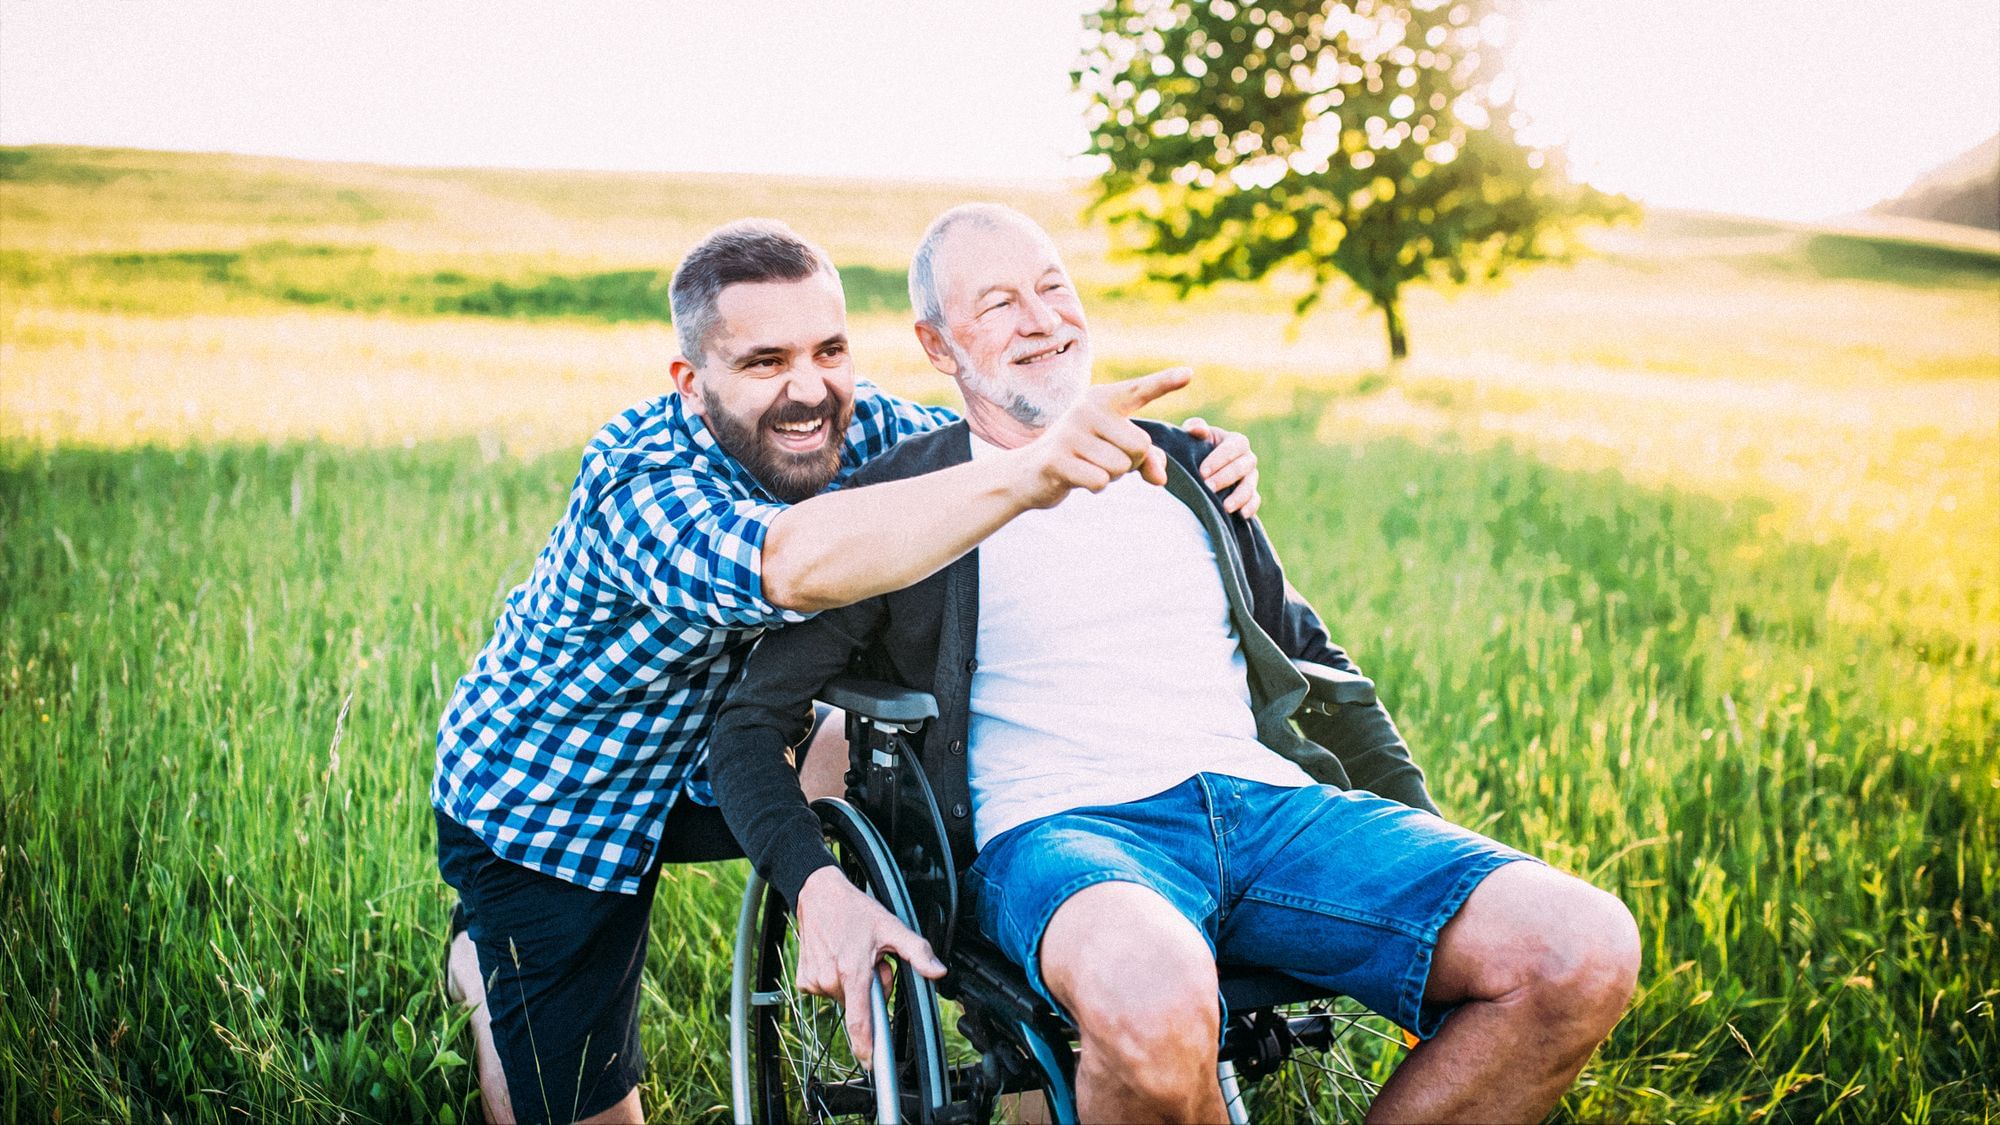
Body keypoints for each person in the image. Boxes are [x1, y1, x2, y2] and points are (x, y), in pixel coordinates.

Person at [711, 204, 1642, 1123]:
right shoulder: (908, 500)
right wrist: (819, 887)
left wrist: (1419, 831)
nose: (1041, 318)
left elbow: (1313, 662)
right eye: (998, 304)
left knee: (1582, 948)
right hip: (1065, 833)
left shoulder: (1192, 464)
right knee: (1155, 1002)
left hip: (1272, 808)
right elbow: (749, 730)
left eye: (1053, 287)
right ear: (939, 345)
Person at [431, 217, 1266, 1124]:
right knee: (573, 1106)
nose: (808, 389)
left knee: (936, 762)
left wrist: (1181, 456)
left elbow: (1005, 441)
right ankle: (486, 965)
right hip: (564, 796)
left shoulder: (867, 427)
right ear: (690, 381)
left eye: (830, 350)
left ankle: (1032, 1031)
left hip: (742, 744)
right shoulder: (640, 478)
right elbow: (790, 563)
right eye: (764, 362)